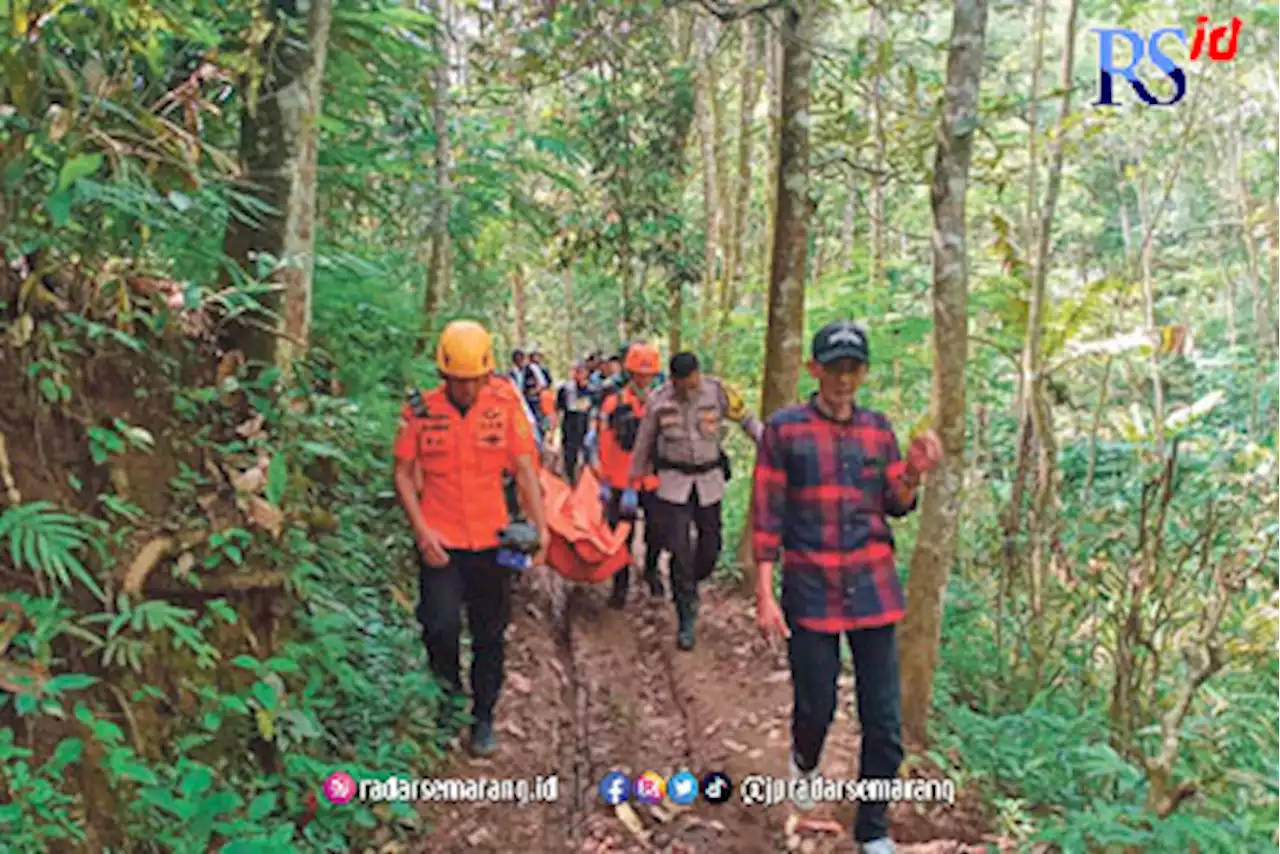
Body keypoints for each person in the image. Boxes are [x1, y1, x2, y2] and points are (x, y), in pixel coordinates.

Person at [751, 321, 941, 854]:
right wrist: (764, 594)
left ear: (863, 373)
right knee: (816, 706)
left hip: (873, 588)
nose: (842, 378)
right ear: (814, 370)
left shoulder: (879, 430)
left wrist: (914, 474)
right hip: (810, 588)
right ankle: (804, 761)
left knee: (883, 721)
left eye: (852, 368)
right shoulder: (784, 431)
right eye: (833, 368)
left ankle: (873, 829)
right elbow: (766, 515)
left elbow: (895, 503)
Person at [393, 320, 550, 757]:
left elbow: (524, 473)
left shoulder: (504, 407)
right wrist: (421, 532)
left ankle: (483, 716)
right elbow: (404, 475)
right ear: (443, 376)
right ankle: (449, 704)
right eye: (457, 382)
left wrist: (542, 532)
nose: (466, 390)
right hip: (440, 542)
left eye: (474, 381)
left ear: (487, 374)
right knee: (439, 626)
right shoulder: (420, 412)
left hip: (492, 542)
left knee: (490, 635)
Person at [630, 351, 761, 650]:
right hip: (672, 484)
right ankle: (685, 611)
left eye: (691, 381)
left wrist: (770, 446)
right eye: (681, 384)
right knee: (679, 548)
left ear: (698, 374)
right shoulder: (659, 400)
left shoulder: (718, 391)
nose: (687, 388)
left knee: (710, 547)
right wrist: (633, 482)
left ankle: (692, 582)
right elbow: (644, 442)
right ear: (673, 380)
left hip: (708, 482)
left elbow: (747, 419)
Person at [594, 343, 665, 608]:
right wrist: (603, 477)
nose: (644, 380)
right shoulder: (614, 403)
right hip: (622, 481)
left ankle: (651, 569)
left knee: (657, 530)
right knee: (621, 533)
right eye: (639, 374)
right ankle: (620, 584)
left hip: (653, 480)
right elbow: (603, 441)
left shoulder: (662, 403)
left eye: (648, 375)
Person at [556, 362, 594, 484]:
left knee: (587, 455)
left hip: (585, 426)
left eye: (582, 372)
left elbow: (595, 409)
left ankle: (587, 481)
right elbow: (559, 410)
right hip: (570, 426)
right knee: (570, 456)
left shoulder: (592, 389)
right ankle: (571, 480)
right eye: (577, 371)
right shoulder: (565, 389)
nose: (580, 375)